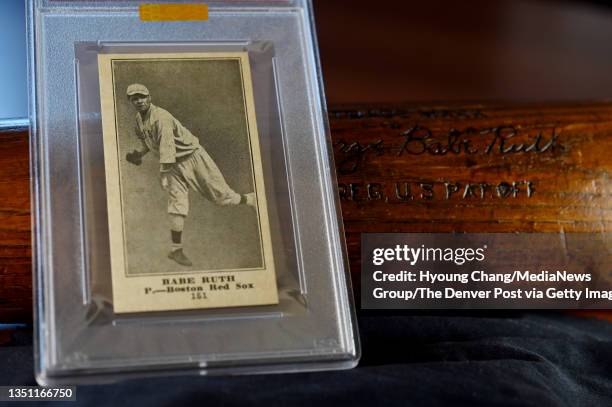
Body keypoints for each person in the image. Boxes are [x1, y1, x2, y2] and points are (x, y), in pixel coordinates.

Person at [124, 83, 256, 267]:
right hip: (172, 165)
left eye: (142, 96)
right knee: (177, 205)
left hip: (193, 157)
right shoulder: (139, 120)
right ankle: (176, 249)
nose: (139, 100)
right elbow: (150, 143)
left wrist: (164, 174)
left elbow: (167, 148)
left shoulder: (161, 117)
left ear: (149, 97)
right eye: (134, 98)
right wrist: (139, 153)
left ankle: (250, 199)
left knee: (222, 197)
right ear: (130, 101)